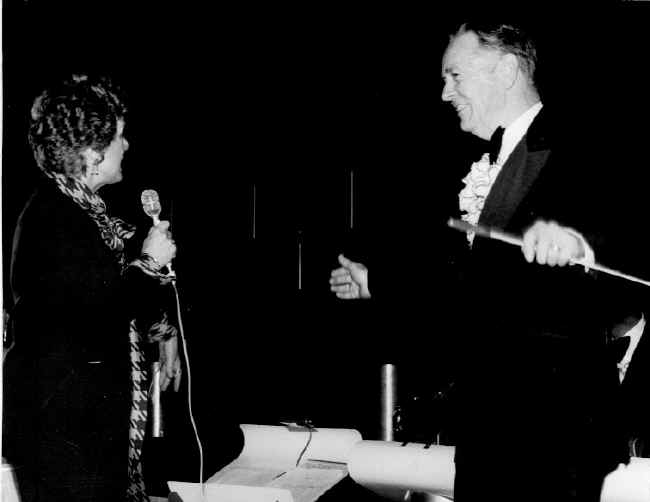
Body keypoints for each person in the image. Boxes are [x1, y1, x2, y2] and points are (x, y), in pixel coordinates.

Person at [330, 21, 625, 501]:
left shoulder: (584, 145)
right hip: (492, 426)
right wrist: (377, 282)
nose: (445, 93)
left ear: (506, 69)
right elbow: (469, 284)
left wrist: (580, 243)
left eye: (455, 76)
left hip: (552, 431)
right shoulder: (486, 159)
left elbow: (623, 243)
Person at [2, 74, 181, 501]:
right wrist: (151, 261)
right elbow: (97, 317)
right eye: (119, 136)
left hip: (75, 428)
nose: (127, 145)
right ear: (92, 154)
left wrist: (163, 330)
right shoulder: (57, 219)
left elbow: (102, 293)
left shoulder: (77, 211)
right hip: (64, 433)